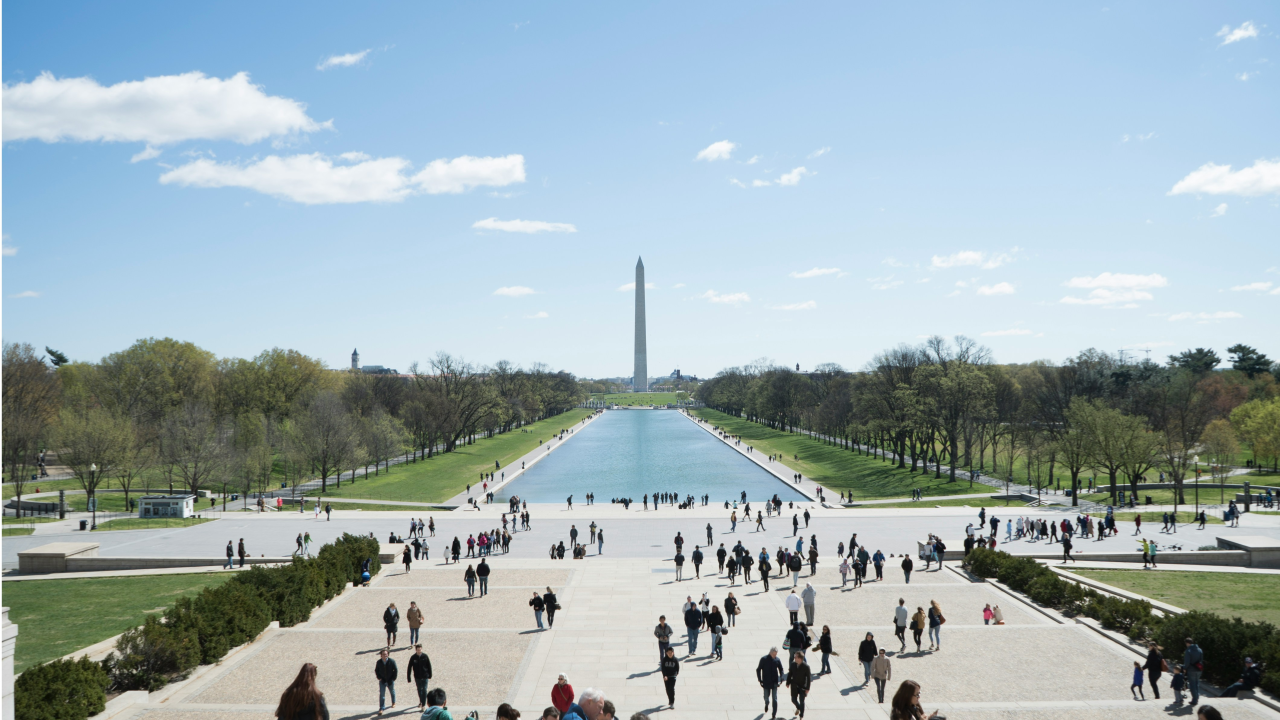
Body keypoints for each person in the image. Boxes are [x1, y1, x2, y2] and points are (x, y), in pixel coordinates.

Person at [757, 647, 784, 719]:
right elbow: (758, 669)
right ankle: (766, 703)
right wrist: (760, 680)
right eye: (774, 654)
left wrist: (781, 677)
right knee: (766, 697)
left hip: (774, 682)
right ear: (770, 653)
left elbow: (781, 669)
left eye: (776, 654)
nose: (775, 655)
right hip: (766, 682)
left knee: (774, 698)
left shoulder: (777, 660)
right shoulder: (764, 659)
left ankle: (774, 714)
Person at [786, 651, 811, 719]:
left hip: (802, 686)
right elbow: (790, 673)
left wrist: (807, 688)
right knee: (793, 699)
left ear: (800, 659)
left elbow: (808, 678)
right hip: (794, 685)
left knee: (802, 701)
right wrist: (787, 682)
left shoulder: (806, 667)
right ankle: (799, 707)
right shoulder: (793, 664)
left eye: (795, 657)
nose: (794, 658)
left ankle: (801, 715)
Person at [407, 644, 432, 710]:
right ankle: (421, 701)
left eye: (420, 649)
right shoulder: (413, 657)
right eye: (418, 650)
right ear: (416, 650)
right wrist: (409, 678)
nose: (419, 651)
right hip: (417, 677)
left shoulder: (425, 656)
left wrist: (430, 675)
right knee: (419, 689)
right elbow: (409, 667)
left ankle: (423, 704)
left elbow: (429, 666)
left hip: (425, 676)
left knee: (424, 690)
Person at [374, 648, 397, 715]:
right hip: (382, 681)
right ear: (381, 655)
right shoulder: (379, 662)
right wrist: (379, 677)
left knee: (392, 691)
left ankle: (393, 702)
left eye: (386, 654)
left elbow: (395, 670)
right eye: (383, 654)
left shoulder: (392, 661)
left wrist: (393, 678)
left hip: (390, 680)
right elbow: (376, 670)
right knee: (382, 695)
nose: (385, 655)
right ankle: (381, 708)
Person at [1183, 637, 1204, 706]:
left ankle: (1194, 699)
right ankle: (1197, 697)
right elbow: (1201, 660)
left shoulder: (1188, 651)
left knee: (1192, 685)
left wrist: (1185, 668)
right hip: (1198, 669)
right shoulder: (1200, 650)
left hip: (1191, 669)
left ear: (1187, 643)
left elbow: (1187, 662)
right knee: (1196, 684)